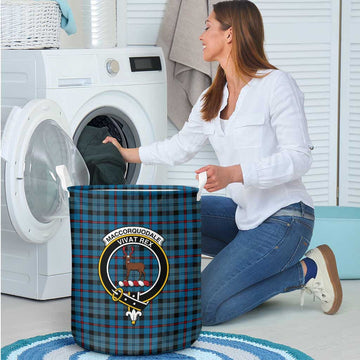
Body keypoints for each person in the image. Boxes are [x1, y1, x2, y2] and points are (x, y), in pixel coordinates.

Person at [103, 0, 342, 325]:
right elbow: (180, 147)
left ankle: (306, 271)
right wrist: (127, 153)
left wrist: (234, 174)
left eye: (207, 27)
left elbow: (299, 159)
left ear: (229, 35)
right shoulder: (211, 97)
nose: (200, 36)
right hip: (245, 217)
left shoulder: (275, 84)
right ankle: (185, 286)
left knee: (204, 309)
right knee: (167, 215)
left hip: (286, 219)